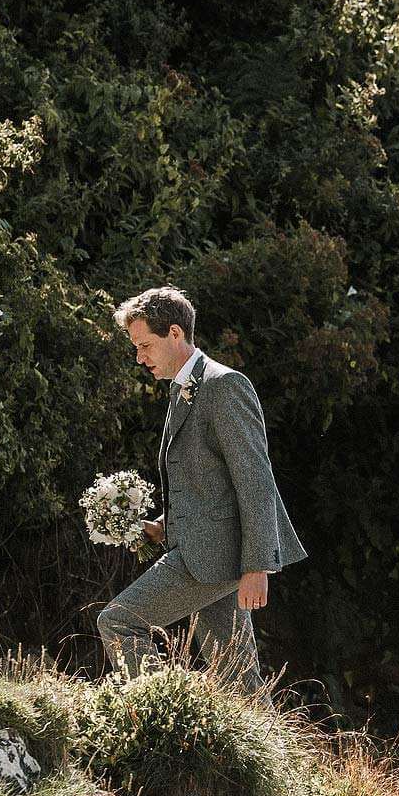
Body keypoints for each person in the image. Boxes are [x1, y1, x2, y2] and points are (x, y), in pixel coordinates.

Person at [96, 286, 307, 688]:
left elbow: (256, 479)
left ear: (175, 333)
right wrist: (162, 525)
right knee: (238, 678)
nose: (139, 357)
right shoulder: (182, 388)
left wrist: (257, 566)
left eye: (145, 345)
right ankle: (271, 750)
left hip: (216, 556)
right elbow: (208, 483)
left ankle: (156, 717)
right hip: (204, 551)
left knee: (120, 621)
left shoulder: (224, 385)